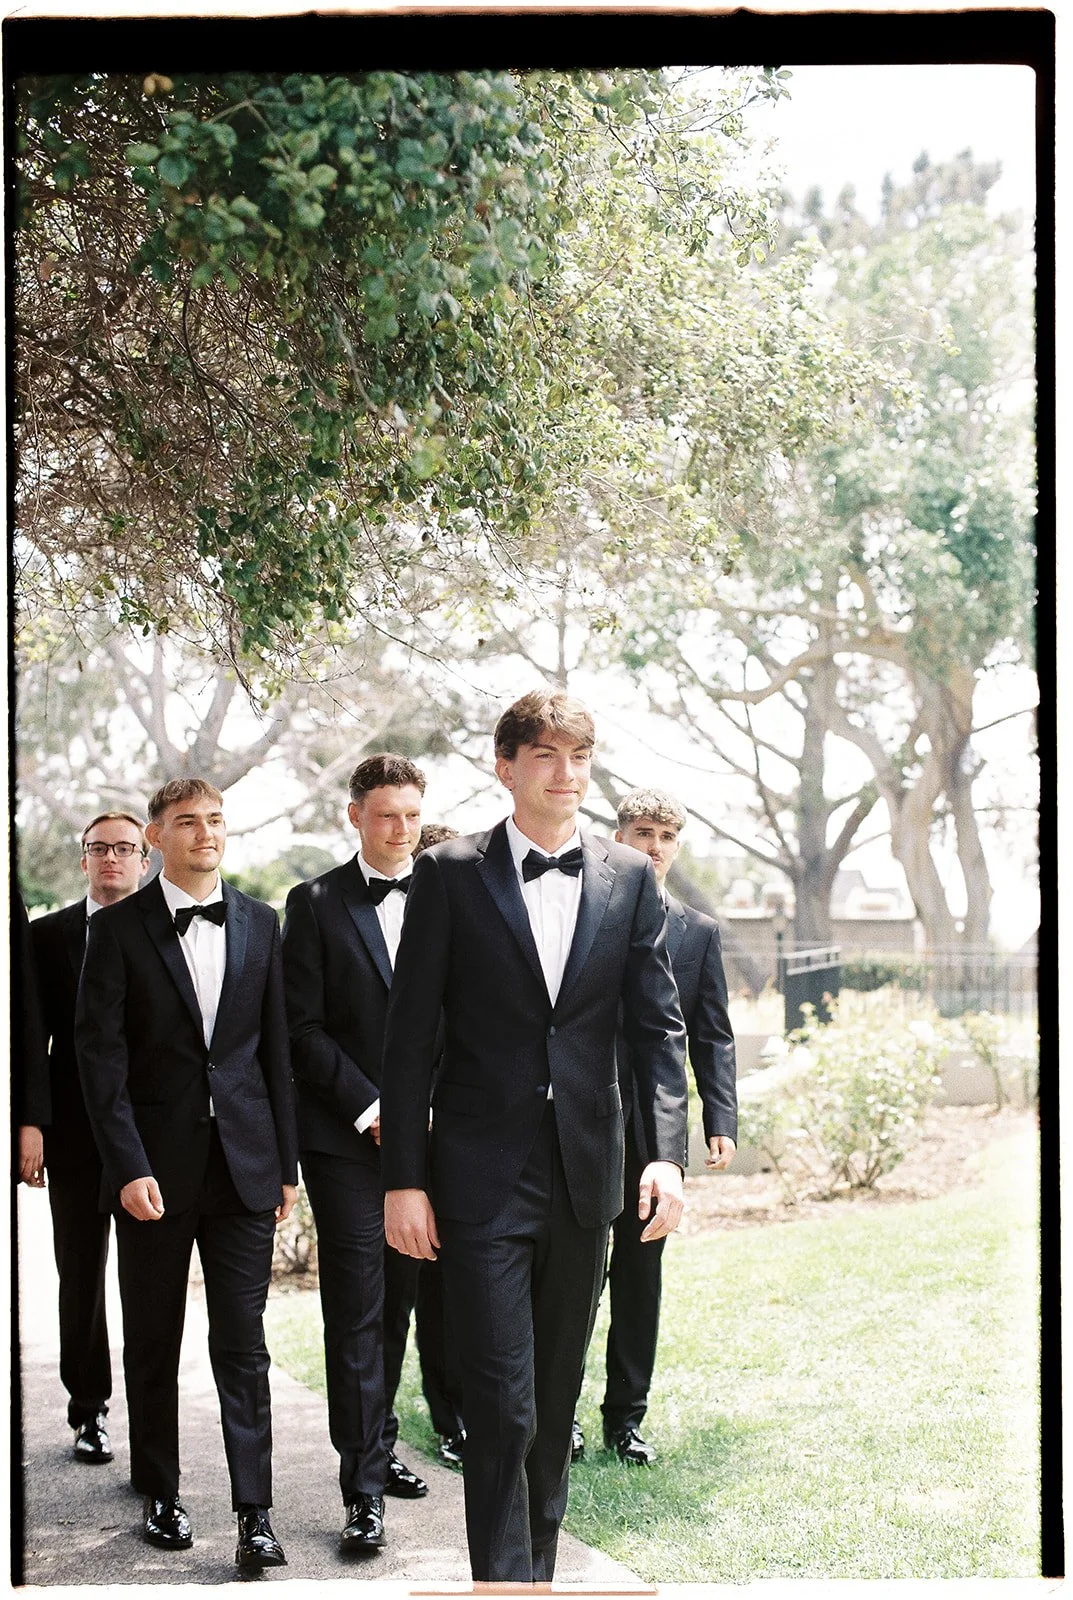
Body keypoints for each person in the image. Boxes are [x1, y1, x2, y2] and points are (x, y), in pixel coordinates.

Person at [381, 688, 689, 1583]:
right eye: (547, 756)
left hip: (587, 1175)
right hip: (478, 1175)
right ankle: (500, 1577)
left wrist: (664, 1152)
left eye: (580, 758)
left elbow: (656, 1028)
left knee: (555, 1396)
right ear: (506, 765)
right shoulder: (448, 872)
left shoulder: (629, 878)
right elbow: (409, 1039)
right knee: (503, 1397)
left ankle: (537, 1574)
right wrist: (404, 1177)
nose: (567, 775)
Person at [75, 777, 298, 1568]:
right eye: (188, 824)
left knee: (243, 1343)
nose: (206, 834)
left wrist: (285, 1169)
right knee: (153, 1340)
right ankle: (163, 1493)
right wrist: (126, 1166)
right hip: (152, 1177)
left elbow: (275, 1051)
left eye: (215, 821)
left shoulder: (262, 924)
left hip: (243, 1169)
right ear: (158, 838)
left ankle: (254, 1513)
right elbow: (99, 1061)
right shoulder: (118, 930)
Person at [281, 754, 431, 1555]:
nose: (400, 830)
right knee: (358, 1309)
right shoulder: (311, 905)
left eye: (410, 815)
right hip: (346, 1140)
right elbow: (300, 1027)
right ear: (354, 817)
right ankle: (361, 1490)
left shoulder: (451, 894)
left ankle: (378, 1440)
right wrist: (372, 1107)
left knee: (399, 1305)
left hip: (435, 1143)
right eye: (385, 816)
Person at [591, 788, 737, 1467]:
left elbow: (712, 1036)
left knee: (639, 1280)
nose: (652, 846)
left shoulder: (698, 933)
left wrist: (720, 1117)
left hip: (654, 1132)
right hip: (577, 1123)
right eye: (641, 831)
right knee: (571, 1278)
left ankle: (625, 1420)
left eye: (664, 836)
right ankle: (556, 1414)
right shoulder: (583, 908)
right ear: (617, 834)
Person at [29, 812, 150, 1466]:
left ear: (143, 858)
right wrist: (32, 1126)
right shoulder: (45, 937)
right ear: (83, 860)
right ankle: (90, 1411)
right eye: (99, 849)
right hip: (75, 1137)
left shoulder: (165, 929)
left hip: (150, 1137)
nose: (111, 859)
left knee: (149, 1282)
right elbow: (29, 1042)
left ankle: (152, 1420)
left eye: (124, 849)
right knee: (80, 1275)